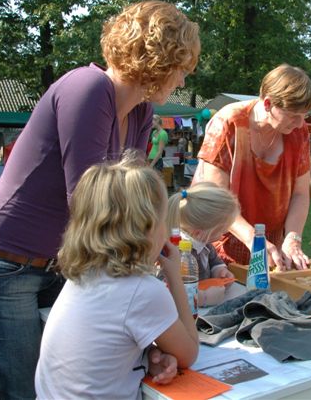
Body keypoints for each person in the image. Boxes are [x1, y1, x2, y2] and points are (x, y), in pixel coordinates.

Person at [0, 0, 200, 399]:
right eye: (182, 68)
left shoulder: (141, 113)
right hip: (4, 262)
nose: (182, 80)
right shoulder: (87, 88)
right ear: (159, 60)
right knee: (23, 393)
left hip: (66, 266)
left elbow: (134, 201)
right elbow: (93, 206)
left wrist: (151, 347)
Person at [35, 158, 198, 399]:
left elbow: (109, 343)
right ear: (146, 229)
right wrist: (175, 276)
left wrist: (149, 356)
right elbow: (189, 353)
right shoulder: (144, 291)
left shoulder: (84, 275)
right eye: (163, 220)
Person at [193, 64, 311, 271]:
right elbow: (216, 201)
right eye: (294, 115)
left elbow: (300, 194)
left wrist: (292, 238)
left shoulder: (298, 131)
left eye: (305, 115)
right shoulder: (228, 123)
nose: (300, 123)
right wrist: (254, 239)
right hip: (220, 246)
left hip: (271, 250)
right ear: (268, 103)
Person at [167, 182, 240, 306]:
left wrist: (220, 271)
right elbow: (169, 290)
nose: (225, 232)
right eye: (222, 230)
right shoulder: (176, 252)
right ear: (199, 233)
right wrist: (203, 298)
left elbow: (214, 261)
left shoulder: (205, 243)